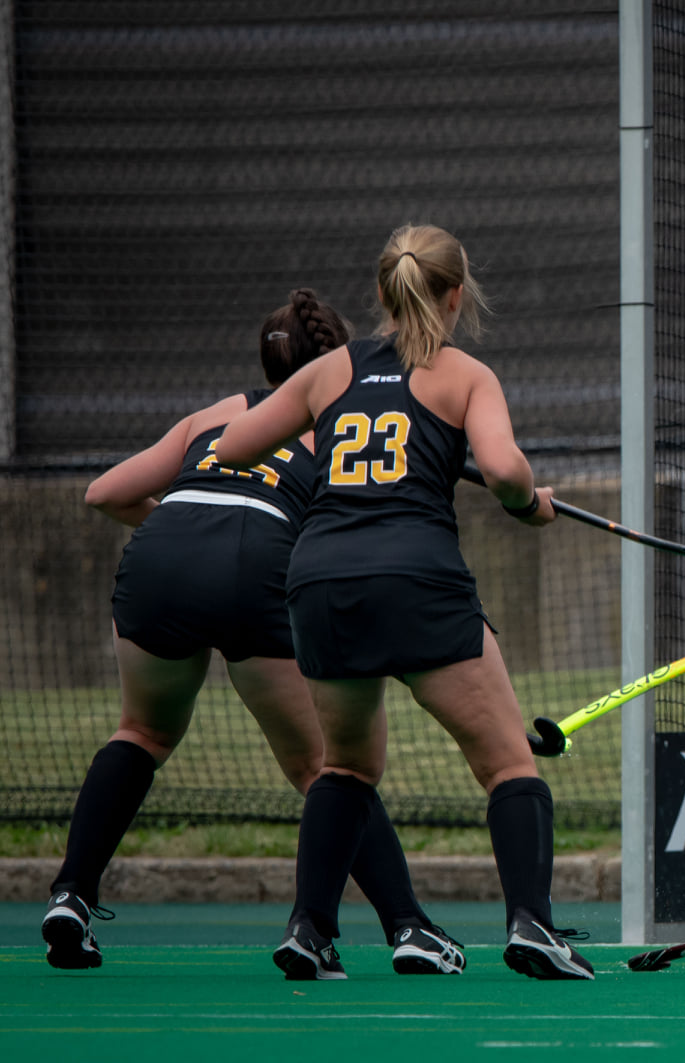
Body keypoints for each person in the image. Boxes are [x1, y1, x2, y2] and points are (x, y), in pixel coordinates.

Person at [42, 289, 464, 976]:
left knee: (141, 732)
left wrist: (188, 537)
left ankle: (71, 894)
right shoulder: (340, 424)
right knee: (329, 765)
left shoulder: (213, 415)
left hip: (163, 551)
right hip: (260, 562)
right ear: (334, 365)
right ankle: (409, 927)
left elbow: (105, 493)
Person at [214, 224, 593, 982]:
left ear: (384, 295)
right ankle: (532, 926)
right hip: (416, 579)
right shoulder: (465, 376)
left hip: (320, 581)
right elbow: (506, 472)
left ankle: (310, 929)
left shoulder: (330, 373)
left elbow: (231, 446)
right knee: (507, 761)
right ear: (456, 295)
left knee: (346, 767)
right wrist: (530, 503)